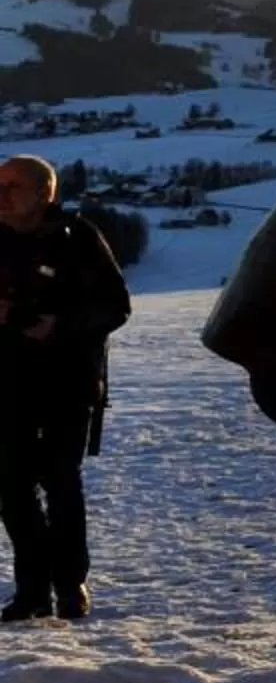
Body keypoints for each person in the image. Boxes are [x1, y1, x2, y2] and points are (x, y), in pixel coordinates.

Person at [0, 155, 129, 623]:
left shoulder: (78, 239)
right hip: (8, 383)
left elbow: (116, 306)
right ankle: (31, 590)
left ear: (44, 193)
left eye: (13, 186)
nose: (2, 194)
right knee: (11, 489)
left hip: (66, 382)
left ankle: (70, 584)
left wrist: (59, 325)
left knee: (60, 482)